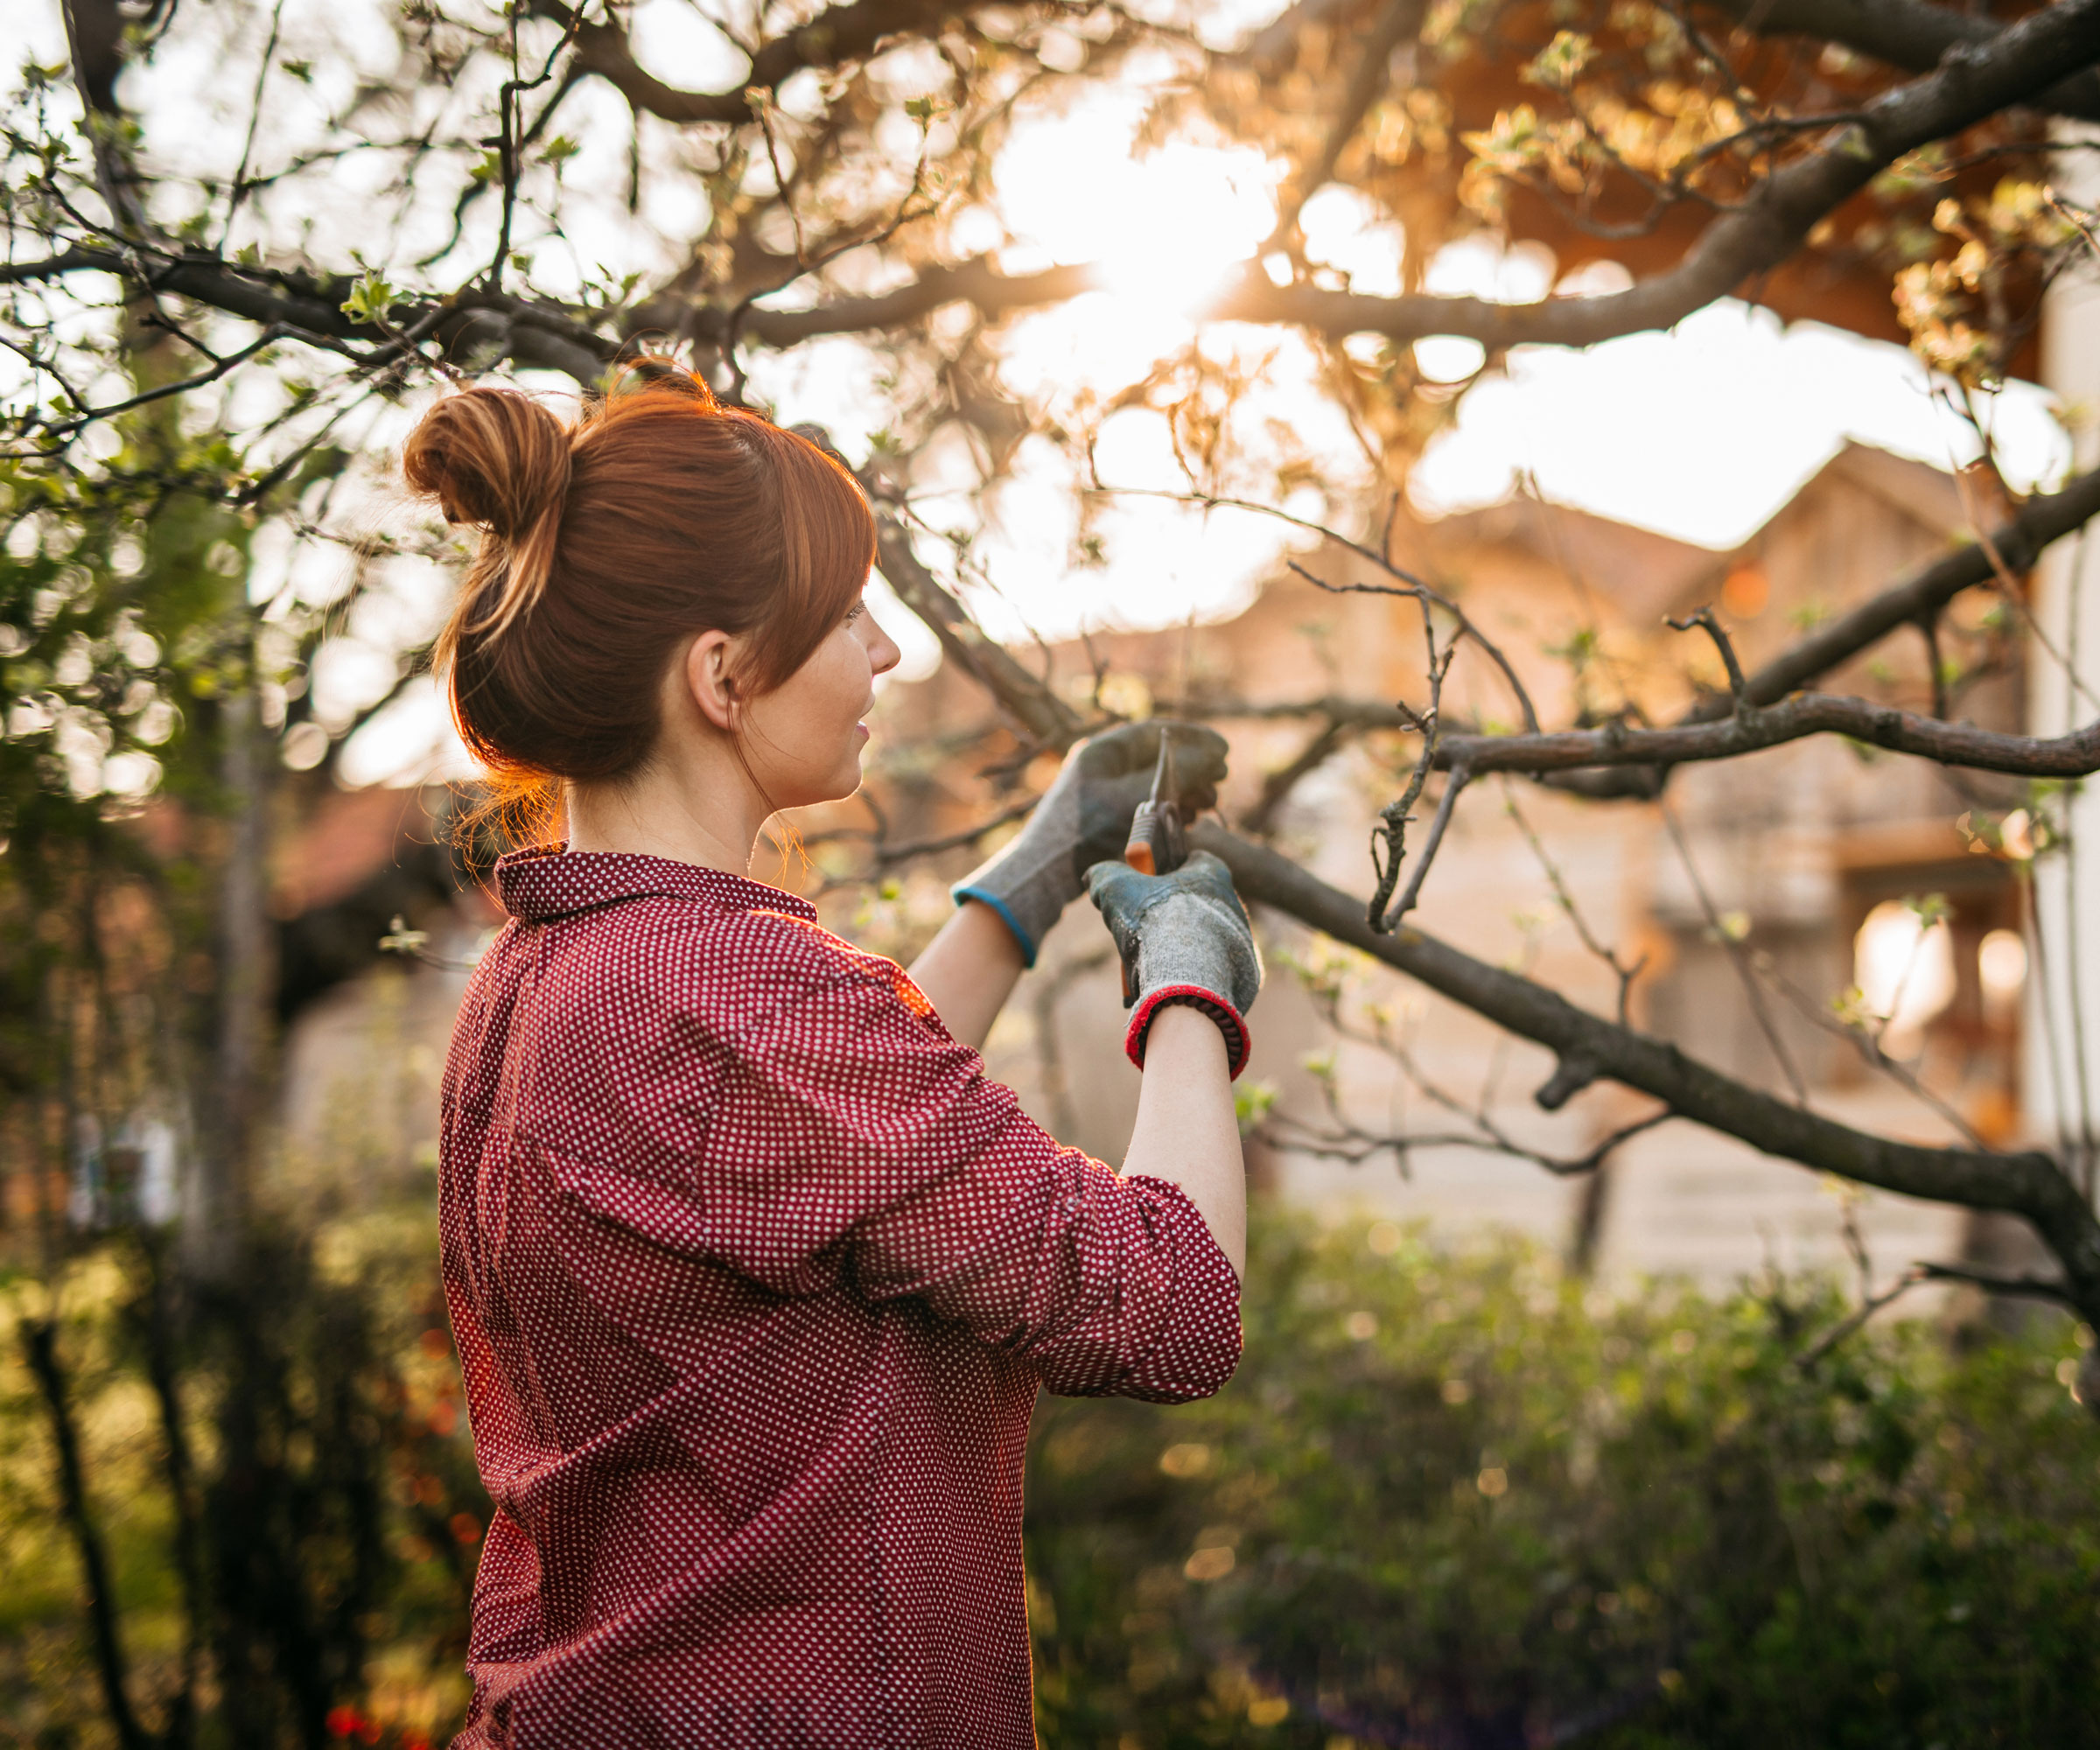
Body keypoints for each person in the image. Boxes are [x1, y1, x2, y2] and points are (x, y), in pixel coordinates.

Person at [403, 367, 1264, 1750]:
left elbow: (821, 1154)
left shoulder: (545, 976)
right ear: (723, 676)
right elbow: (1168, 1306)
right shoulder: (736, 995)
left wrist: (1032, 880)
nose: (887, 652)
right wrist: (1189, 984)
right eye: (845, 615)